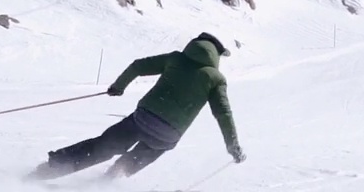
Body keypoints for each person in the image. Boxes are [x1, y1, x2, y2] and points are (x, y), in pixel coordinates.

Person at [27, 32, 245, 181]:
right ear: (216, 54)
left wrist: (118, 86)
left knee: (102, 147)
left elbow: (138, 66)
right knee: (130, 163)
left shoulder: (175, 59)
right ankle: (104, 185)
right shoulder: (216, 78)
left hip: (143, 119)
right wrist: (232, 146)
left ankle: (51, 169)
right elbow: (223, 114)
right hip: (168, 135)